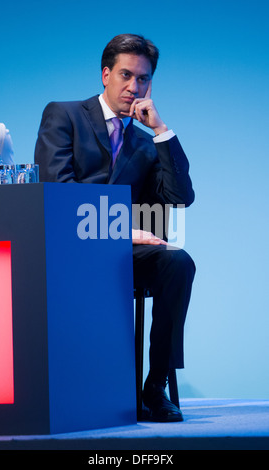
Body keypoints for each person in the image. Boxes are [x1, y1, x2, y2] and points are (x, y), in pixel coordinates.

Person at [34, 34, 196, 422]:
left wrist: (161, 132)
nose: (133, 86)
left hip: (123, 257)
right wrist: (121, 231)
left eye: (143, 79)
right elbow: (59, 191)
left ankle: (154, 387)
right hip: (70, 248)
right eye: (126, 75)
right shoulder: (64, 115)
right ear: (106, 74)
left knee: (179, 262)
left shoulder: (146, 143)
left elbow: (180, 197)